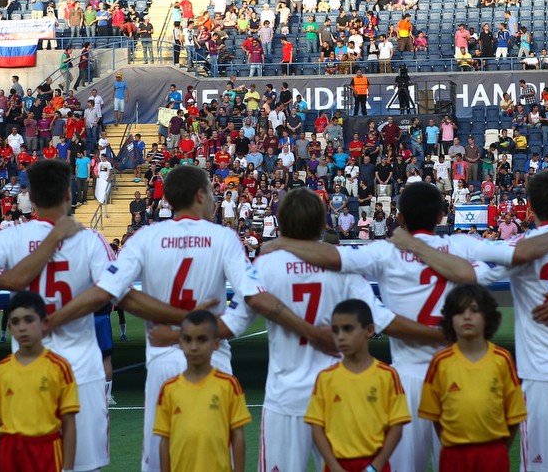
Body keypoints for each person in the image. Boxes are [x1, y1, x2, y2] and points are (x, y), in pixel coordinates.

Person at [263, 181, 548, 472]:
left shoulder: (386, 251)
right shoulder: (462, 244)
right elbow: (519, 253)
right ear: (442, 215)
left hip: (407, 379)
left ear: (399, 216)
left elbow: (332, 256)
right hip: (457, 373)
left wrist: (279, 244)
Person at [44, 165, 335, 472]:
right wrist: (311, 331)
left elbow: (106, 291)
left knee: (160, 459)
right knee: (215, 458)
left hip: (162, 363)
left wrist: (53, 318)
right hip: (213, 363)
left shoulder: (146, 237)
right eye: (211, 193)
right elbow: (255, 297)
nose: (214, 200)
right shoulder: (223, 238)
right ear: (200, 195)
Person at [0, 160, 191, 472]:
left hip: (26, 372)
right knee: (84, 466)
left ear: (30, 197)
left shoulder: (10, 239)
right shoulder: (90, 240)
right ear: (68, 195)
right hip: (82, 370)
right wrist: (183, 317)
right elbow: (122, 294)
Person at [221, 188, 442, 471]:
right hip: (337, 396)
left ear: (281, 222)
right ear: (321, 223)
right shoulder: (340, 264)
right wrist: (438, 334)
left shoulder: (266, 264)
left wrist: (178, 333)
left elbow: (232, 323)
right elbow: (382, 320)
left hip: (286, 396)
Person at [400, 171, 548, 472]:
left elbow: (466, 275)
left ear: (529, 205)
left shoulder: (519, 247)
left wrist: (418, 247)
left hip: (543, 378)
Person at [419, 284, 526, 472]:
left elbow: (514, 415)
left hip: (493, 453)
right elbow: (435, 415)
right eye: (459, 312)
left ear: (488, 317)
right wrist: (452, 443)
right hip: (453, 455)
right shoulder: (440, 362)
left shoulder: (502, 360)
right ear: (450, 319)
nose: (467, 316)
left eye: (474, 310)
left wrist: (500, 450)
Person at [305, 299, 411, 472]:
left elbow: (396, 427)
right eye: (335, 330)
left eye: (348, 329)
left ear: (369, 330)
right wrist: (334, 466)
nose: (340, 337)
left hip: (375, 465)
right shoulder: (325, 378)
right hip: (337, 465)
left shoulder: (387, 376)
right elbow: (316, 428)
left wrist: (374, 467)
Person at [0, 291, 78, 472]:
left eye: (29, 320)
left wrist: (68, 468)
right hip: (9, 451)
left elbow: (69, 423)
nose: (22, 327)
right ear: (9, 327)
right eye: (15, 322)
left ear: (44, 323)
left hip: (46, 451)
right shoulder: (0, 371)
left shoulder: (59, 367)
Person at [153, 310, 251, 472]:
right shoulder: (169, 389)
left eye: (202, 340)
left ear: (216, 343)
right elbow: (165, 440)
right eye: (187, 340)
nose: (194, 347)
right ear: (180, 343)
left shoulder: (228, 385)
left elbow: (238, 435)